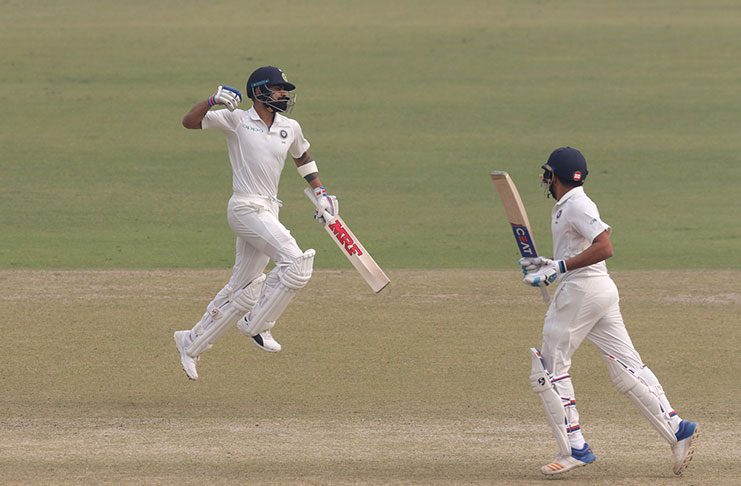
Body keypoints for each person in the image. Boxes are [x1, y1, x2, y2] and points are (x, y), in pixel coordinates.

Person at [520, 147, 699, 476]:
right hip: (596, 289)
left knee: (549, 366)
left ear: (555, 176)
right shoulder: (567, 207)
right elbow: (576, 251)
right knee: (627, 366)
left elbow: (604, 246)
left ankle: (574, 447)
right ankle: (678, 430)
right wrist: (547, 264)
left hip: (583, 291)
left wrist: (557, 267)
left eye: (548, 173)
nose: (545, 179)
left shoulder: (577, 204)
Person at [173, 66, 337, 380]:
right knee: (296, 263)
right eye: (279, 89)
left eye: (286, 89)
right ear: (260, 91)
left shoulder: (290, 126)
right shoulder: (236, 119)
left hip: (269, 209)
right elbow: (189, 122)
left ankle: (191, 342)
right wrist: (211, 100)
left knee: (244, 288)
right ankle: (258, 324)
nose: (284, 94)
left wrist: (321, 192)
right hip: (244, 206)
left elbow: (302, 157)